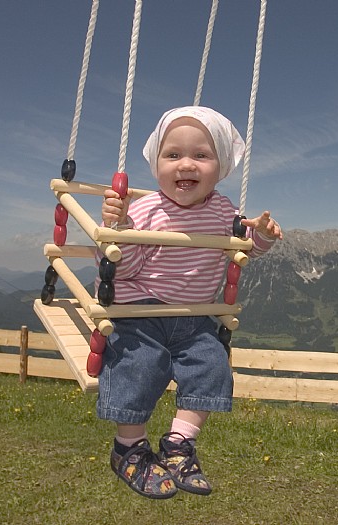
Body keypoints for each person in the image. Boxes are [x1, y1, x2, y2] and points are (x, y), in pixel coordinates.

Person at [97, 106, 282, 499]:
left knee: (213, 364)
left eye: (201, 155)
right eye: (173, 155)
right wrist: (121, 231)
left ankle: (179, 443)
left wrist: (263, 235)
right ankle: (128, 447)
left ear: (221, 168)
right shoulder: (143, 211)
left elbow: (246, 247)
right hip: (139, 311)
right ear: (156, 164)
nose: (187, 165)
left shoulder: (223, 211)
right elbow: (124, 270)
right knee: (140, 364)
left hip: (193, 316)